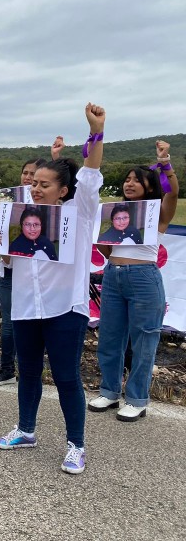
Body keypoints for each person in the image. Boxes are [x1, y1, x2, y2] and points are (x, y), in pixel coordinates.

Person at [0, 103, 105, 476]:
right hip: (26, 306)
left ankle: (76, 445)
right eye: (33, 183)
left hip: (64, 309)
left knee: (67, 376)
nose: (36, 189)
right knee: (27, 371)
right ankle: (25, 430)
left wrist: (96, 132)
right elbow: (10, 264)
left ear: (63, 190)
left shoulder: (81, 214)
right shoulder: (20, 216)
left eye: (44, 184)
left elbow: (90, 177)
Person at [89, 140, 178, 422]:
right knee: (111, 338)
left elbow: (173, 193)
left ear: (149, 185)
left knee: (144, 340)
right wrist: (100, 237)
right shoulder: (116, 214)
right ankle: (110, 391)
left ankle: (137, 398)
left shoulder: (157, 214)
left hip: (144, 278)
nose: (129, 184)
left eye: (136, 180)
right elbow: (107, 250)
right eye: (126, 179)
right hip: (113, 275)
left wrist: (166, 164)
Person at [0, 157, 47, 386]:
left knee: (34, 323)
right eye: (25, 172)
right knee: (10, 323)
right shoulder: (7, 205)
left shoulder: (49, 208)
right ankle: (7, 369)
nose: (28, 177)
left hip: (34, 273)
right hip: (9, 271)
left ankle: (30, 371)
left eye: (34, 174)